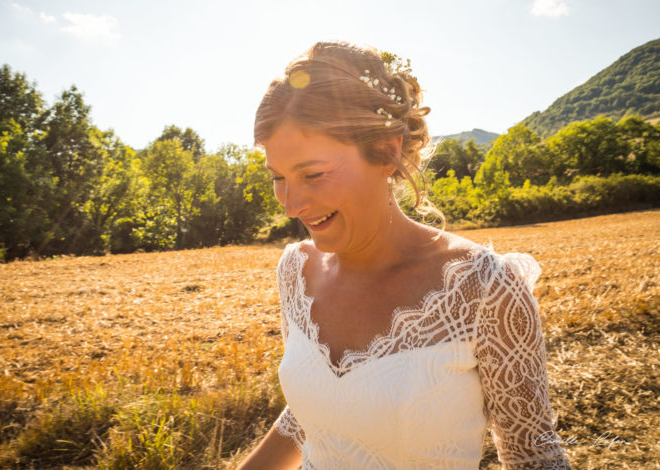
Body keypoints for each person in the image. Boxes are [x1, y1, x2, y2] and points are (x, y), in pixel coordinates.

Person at [238, 40, 572, 470]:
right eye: (279, 177)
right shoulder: (295, 271)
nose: (291, 205)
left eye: (313, 174)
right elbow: (313, 415)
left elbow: (535, 457)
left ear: (387, 152)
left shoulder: (485, 288)